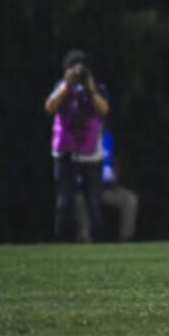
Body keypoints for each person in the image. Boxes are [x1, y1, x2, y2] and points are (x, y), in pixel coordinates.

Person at [44, 50, 109, 242]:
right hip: (65, 151)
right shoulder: (61, 87)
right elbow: (49, 107)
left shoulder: (97, 88)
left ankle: (100, 240)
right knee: (64, 200)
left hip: (91, 152)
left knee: (93, 200)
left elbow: (104, 110)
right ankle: (62, 240)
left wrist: (91, 89)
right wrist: (66, 85)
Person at [75, 128, 138, 243]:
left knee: (130, 199)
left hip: (106, 190)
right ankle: (84, 238)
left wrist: (114, 176)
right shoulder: (80, 143)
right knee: (79, 199)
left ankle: (125, 239)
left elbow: (114, 167)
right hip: (86, 191)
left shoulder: (107, 143)